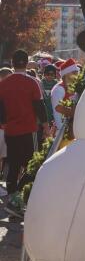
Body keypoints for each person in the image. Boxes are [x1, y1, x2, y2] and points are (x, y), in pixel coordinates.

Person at [0, 49, 50, 218]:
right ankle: (16, 202)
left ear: (12, 63)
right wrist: (46, 127)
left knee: (13, 166)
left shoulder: (3, 84)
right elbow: (40, 107)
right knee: (32, 166)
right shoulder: (32, 82)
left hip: (10, 131)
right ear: (27, 62)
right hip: (28, 131)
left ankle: (14, 200)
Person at [50, 59, 80, 131]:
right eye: (74, 72)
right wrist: (78, 113)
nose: (77, 75)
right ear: (66, 74)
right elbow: (58, 108)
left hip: (72, 128)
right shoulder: (59, 89)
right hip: (62, 130)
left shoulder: (73, 87)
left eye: (77, 72)